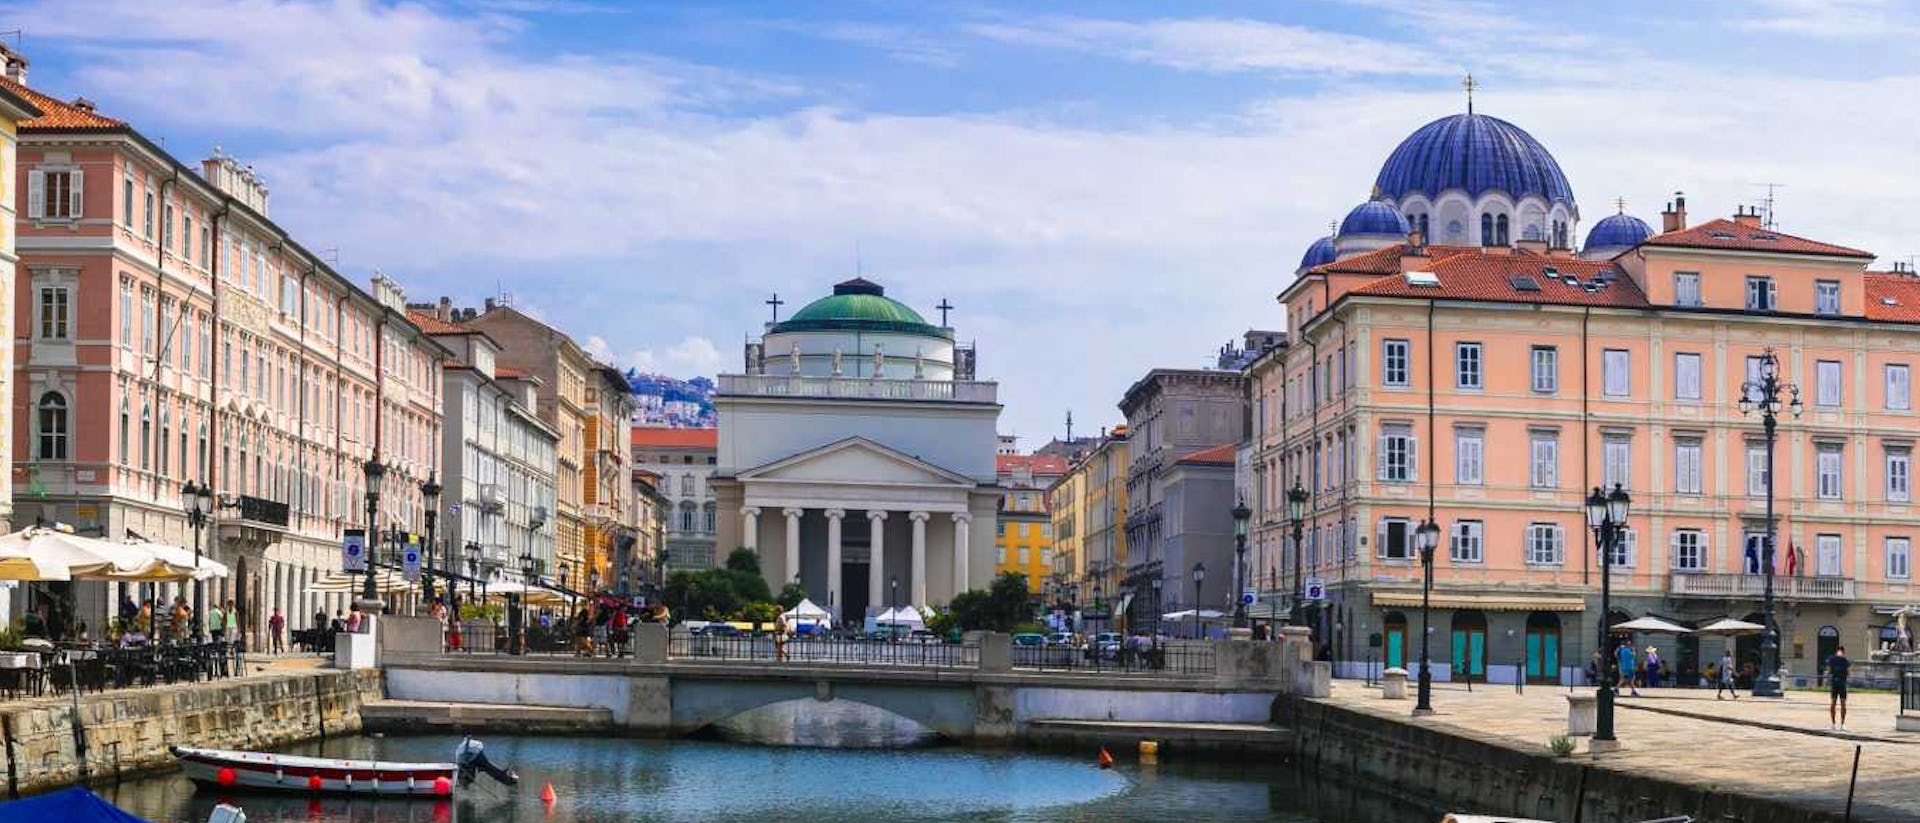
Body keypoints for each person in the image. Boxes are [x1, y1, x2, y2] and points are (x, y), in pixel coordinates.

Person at [1829, 645, 1851, 730]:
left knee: (1833, 703)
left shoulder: (1832, 660)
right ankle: (1842, 724)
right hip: (1842, 684)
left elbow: (1830, 672)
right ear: (1843, 652)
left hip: (1835, 683)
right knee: (1843, 704)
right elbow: (1848, 673)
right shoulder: (1845, 660)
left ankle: (1834, 724)